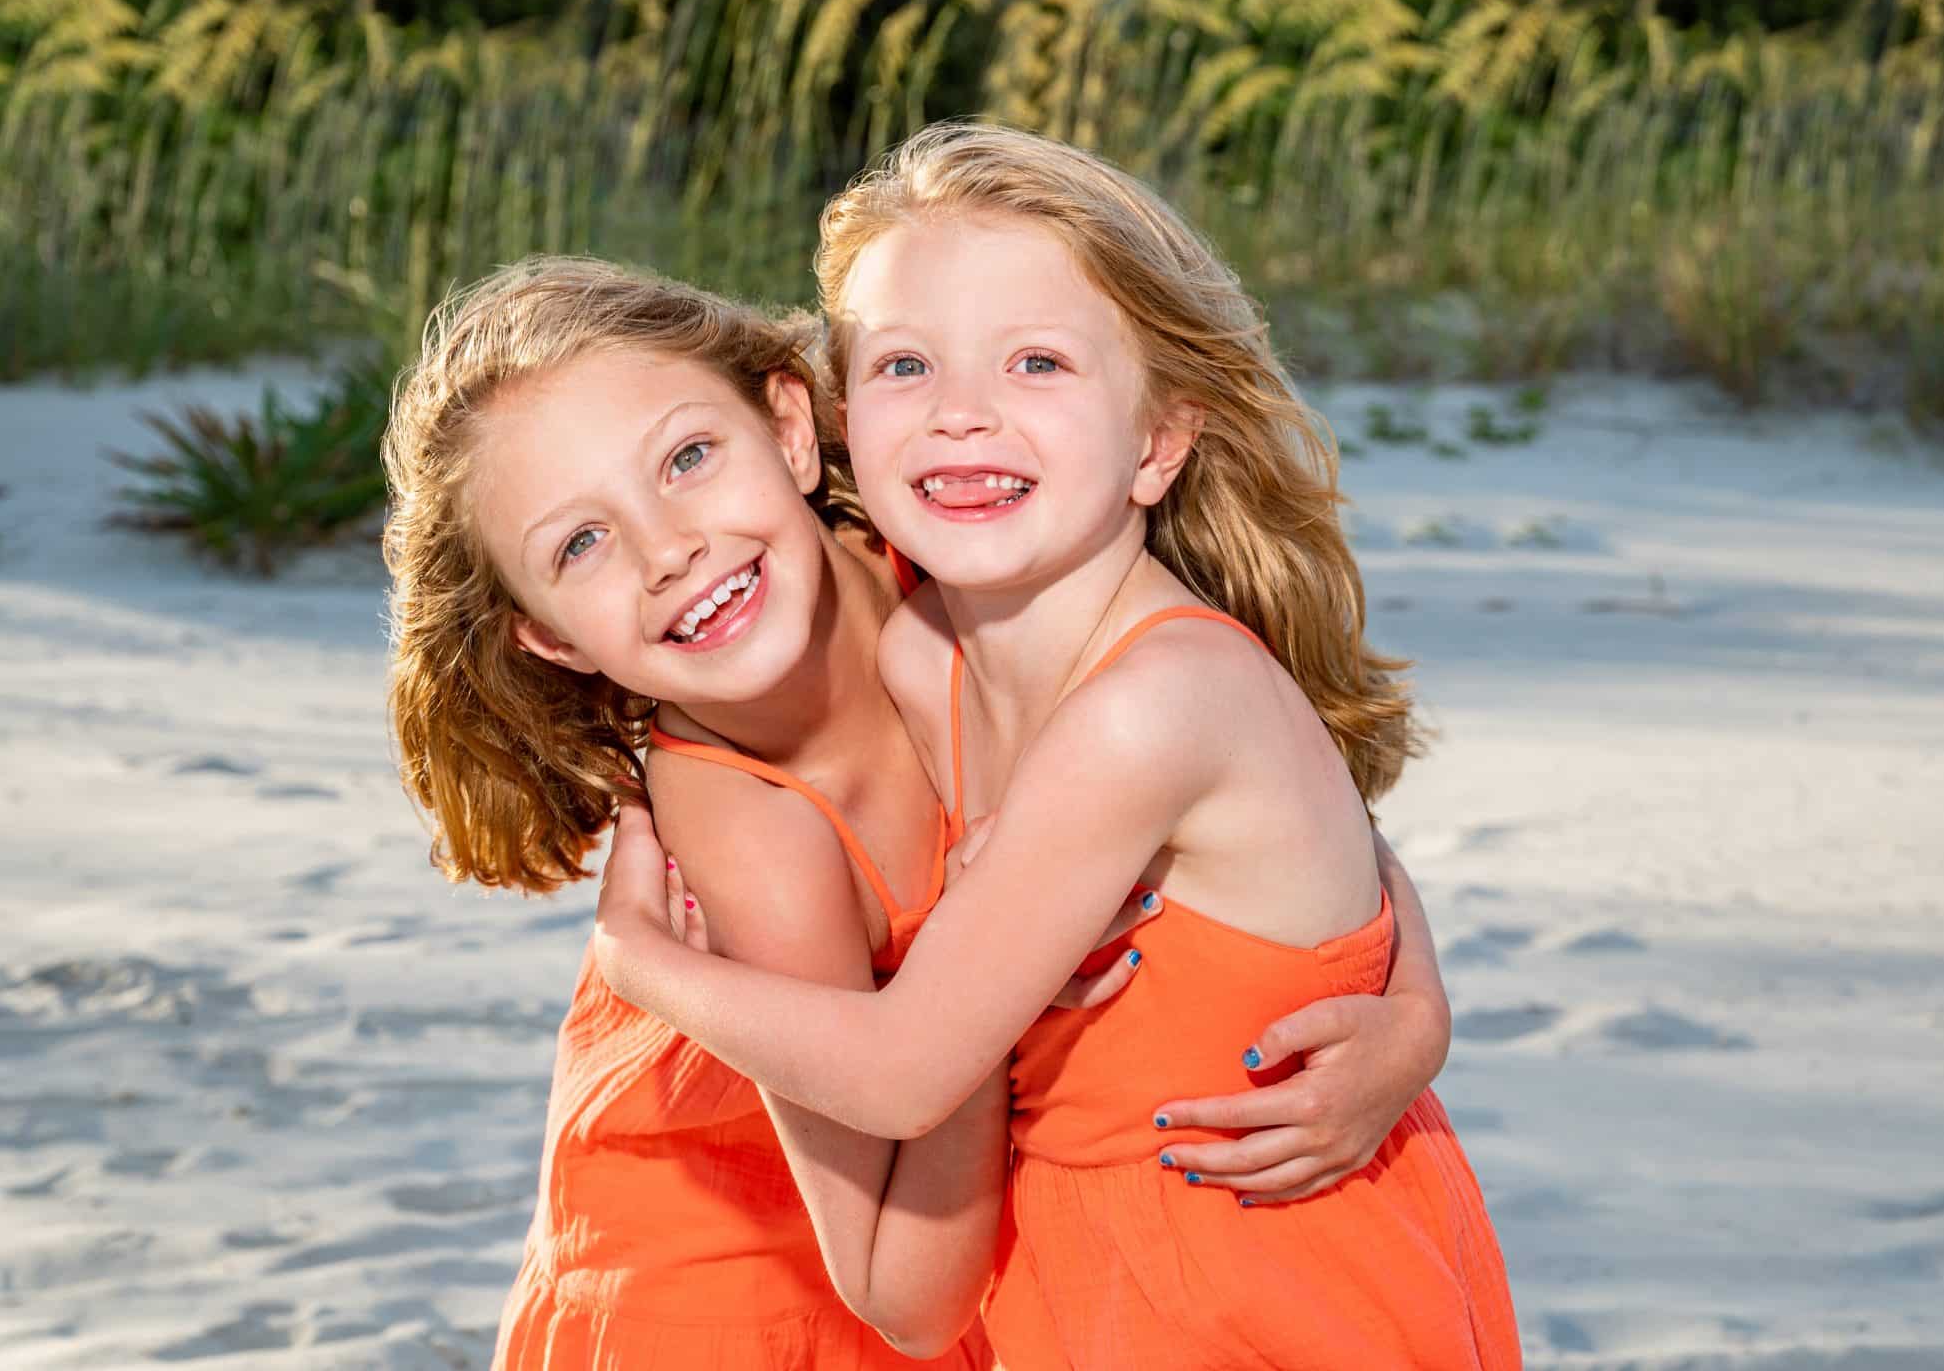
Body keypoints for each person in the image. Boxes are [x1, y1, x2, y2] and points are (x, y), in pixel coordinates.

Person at [381, 255, 1462, 1367]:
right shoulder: (747, 824)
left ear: (791, 428)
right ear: (550, 636)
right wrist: (969, 972)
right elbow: (905, 1289)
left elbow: (1262, 770)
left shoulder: (960, 549)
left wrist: (1416, 1013)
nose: (670, 549)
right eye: (581, 543)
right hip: (742, 1293)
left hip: (973, 1184)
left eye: (689, 458)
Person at [595, 124, 1522, 1368]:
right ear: (840, 416)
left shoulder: (1158, 699)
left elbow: (902, 1072)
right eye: (907, 364)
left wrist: (644, 963)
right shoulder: (927, 652)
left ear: (1156, 441)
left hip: (1271, 1285)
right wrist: (1414, 998)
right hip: (1075, 1286)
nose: (965, 412)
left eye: (1036, 362)